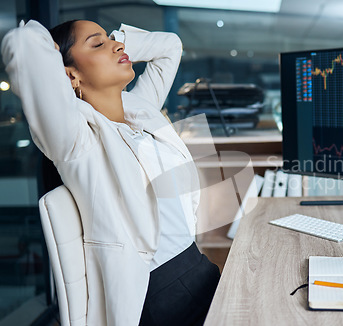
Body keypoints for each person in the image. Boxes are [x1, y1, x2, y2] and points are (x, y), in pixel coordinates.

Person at [1, 19, 220, 326]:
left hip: (199, 268)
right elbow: (23, 45)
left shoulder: (139, 111)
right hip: (163, 297)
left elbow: (169, 47)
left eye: (112, 40)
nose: (118, 46)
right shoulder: (77, 140)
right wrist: (51, 55)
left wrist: (114, 40)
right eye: (97, 43)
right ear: (70, 74)